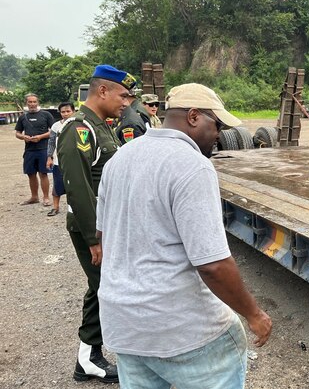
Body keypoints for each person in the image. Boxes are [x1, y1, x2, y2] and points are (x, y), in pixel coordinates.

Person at [96, 83, 272, 389]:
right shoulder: (192, 165)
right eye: (216, 125)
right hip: (180, 329)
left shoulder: (120, 160)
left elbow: (103, 234)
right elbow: (212, 265)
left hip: (123, 325)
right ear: (193, 117)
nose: (219, 135)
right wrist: (254, 315)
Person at [57, 64, 136, 383]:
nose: (127, 102)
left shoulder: (102, 125)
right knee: (108, 287)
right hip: (94, 227)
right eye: (123, 94)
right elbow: (78, 188)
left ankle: (87, 358)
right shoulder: (78, 128)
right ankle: (92, 356)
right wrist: (95, 238)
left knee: (100, 287)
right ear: (103, 91)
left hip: (107, 225)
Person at [14, 93, 55, 206]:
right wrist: (23, 137)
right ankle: (34, 197)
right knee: (31, 174)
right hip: (29, 150)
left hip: (43, 149)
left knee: (43, 173)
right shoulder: (23, 117)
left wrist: (40, 137)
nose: (32, 104)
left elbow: (53, 131)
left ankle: (46, 198)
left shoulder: (46, 115)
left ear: (38, 103)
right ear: (26, 103)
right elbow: (17, 133)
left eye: (34, 102)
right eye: (30, 102)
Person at [45, 101, 75, 216]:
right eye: (63, 112)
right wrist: (49, 157)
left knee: (73, 186)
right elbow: (51, 143)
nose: (66, 114)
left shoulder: (79, 125)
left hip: (74, 162)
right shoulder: (56, 126)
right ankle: (55, 207)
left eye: (68, 111)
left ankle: (73, 209)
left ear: (73, 111)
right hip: (59, 162)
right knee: (57, 185)